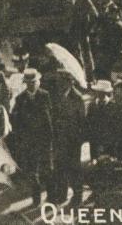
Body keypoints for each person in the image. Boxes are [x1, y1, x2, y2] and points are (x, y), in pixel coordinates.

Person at [8, 69, 52, 206]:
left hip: (44, 140)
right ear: (25, 83)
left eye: (33, 82)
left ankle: (51, 197)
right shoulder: (20, 99)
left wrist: (50, 140)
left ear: (37, 82)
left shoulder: (45, 95)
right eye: (28, 83)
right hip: (29, 141)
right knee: (33, 172)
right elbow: (16, 121)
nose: (31, 85)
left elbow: (50, 119)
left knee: (47, 170)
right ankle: (36, 198)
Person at [48, 70, 86, 207]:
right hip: (58, 138)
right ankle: (61, 194)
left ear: (70, 83)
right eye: (59, 82)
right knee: (59, 167)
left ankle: (77, 196)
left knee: (74, 168)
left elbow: (82, 122)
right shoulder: (55, 96)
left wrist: (78, 139)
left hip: (72, 140)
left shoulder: (77, 98)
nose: (60, 85)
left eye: (63, 82)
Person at [64, 0, 98, 84]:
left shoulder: (84, 0)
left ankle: (90, 79)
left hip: (82, 32)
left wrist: (88, 29)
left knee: (86, 56)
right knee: (74, 56)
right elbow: (67, 18)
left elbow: (94, 15)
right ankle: (78, 79)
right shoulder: (67, 2)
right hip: (72, 33)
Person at [94, 0, 122, 80]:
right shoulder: (115, 23)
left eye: (111, 13)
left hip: (114, 54)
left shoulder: (117, 25)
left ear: (115, 13)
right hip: (112, 53)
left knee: (109, 73)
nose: (109, 15)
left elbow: (113, 42)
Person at [85, 79, 114, 158]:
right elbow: (88, 122)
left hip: (109, 141)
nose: (100, 94)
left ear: (106, 93)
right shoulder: (92, 105)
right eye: (98, 91)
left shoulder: (112, 105)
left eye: (102, 92)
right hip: (95, 141)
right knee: (96, 163)